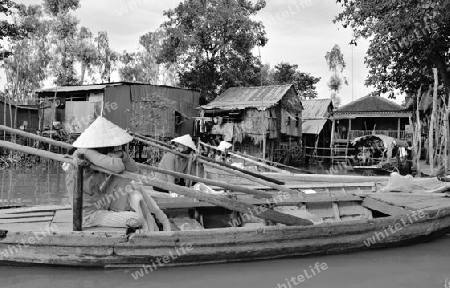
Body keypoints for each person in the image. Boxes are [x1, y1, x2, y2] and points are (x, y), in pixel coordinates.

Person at [66, 116, 170, 232]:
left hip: (101, 203)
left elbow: (134, 171)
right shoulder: (84, 152)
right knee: (137, 218)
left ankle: (159, 217)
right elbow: (118, 166)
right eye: (108, 146)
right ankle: (152, 219)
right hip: (89, 216)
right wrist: (120, 156)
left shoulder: (97, 156)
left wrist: (123, 155)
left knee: (129, 180)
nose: (111, 148)